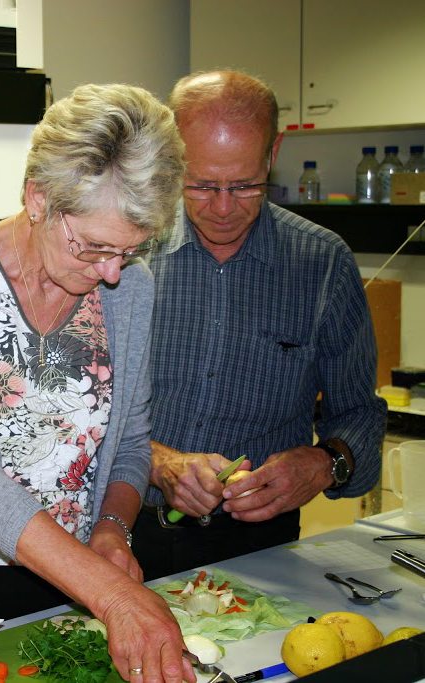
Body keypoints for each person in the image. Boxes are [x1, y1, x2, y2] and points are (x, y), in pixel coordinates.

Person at [0, 84, 196, 683]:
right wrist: (111, 594)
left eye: (129, 251)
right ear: (38, 198)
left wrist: (110, 530)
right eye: (95, 246)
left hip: (69, 585)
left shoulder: (134, 288)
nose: (111, 273)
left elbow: (129, 443)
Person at [131, 70, 388, 580]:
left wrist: (323, 464)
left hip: (259, 549)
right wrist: (158, 464)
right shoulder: (124, 249)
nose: (223, 208)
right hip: (121, 534)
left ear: (272, 155)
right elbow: (69, 410)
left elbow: (359, 413)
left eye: (246, 185)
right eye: (202, 184)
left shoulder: (322, 263)